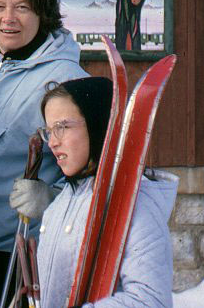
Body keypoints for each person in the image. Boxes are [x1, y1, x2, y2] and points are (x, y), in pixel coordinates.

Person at [0, 0, 88, 307]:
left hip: (17, 252)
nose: (8, 18)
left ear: (43, 11)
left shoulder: (67, 80)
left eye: (22, 7)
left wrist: (51, 198)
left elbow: (93, 178)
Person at [36, 76, 178, 307]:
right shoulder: (60, 204)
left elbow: (150, 301)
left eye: (62, 127)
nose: (52, 142)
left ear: (98, 125)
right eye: (49, 131)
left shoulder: (135, 204)